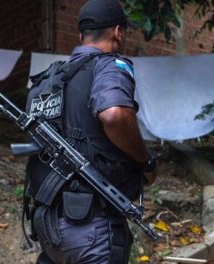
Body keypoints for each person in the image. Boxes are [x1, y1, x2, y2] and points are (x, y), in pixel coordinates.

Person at [24, 0, 158, 263]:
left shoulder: (47, 81)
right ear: (118, 32)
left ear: (80, 36)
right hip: (90, 229)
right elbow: (114, 114)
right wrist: (145, 160)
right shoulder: (109, 66)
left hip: (47, 227)